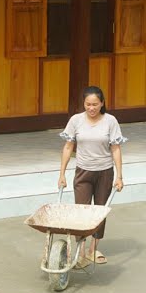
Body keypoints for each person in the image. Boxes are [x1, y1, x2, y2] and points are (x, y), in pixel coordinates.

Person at [56, 85, 126, 266]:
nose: (91, 108)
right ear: (84, 104)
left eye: (95, 104)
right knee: (81, 211)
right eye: (88, 104)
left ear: (102, 103)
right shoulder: (76, 120)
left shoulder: (110, 121)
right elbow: (68, 147)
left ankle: (93, 250)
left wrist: (119, 176)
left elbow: (116, 149)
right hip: (83, 172)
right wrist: (62, 174)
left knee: (100, 211)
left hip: (104, 172)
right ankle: (80, 253)